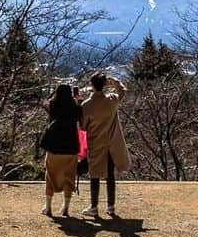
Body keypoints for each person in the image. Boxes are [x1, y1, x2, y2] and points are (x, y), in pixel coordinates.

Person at [78, 71, 130, 222]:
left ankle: (94, 207)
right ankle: (111, 206)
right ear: (104, 84)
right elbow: (122, 90)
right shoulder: (112, 100)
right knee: (110, 175)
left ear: (91, 85)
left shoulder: (87, 105)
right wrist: (113, 81)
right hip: (112, 142)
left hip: (96, 143)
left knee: (95, 175)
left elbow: (83, 126)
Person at [39, 84, 82, 218]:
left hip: (54, 146)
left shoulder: (53, 105)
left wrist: (53, 94)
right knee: (69, 177)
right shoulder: (75, 107)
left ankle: (48, 207)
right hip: (71, 147)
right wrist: (76, 99)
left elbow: (44, 102)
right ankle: (65, 208)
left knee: (50, 176)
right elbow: (80, 116)